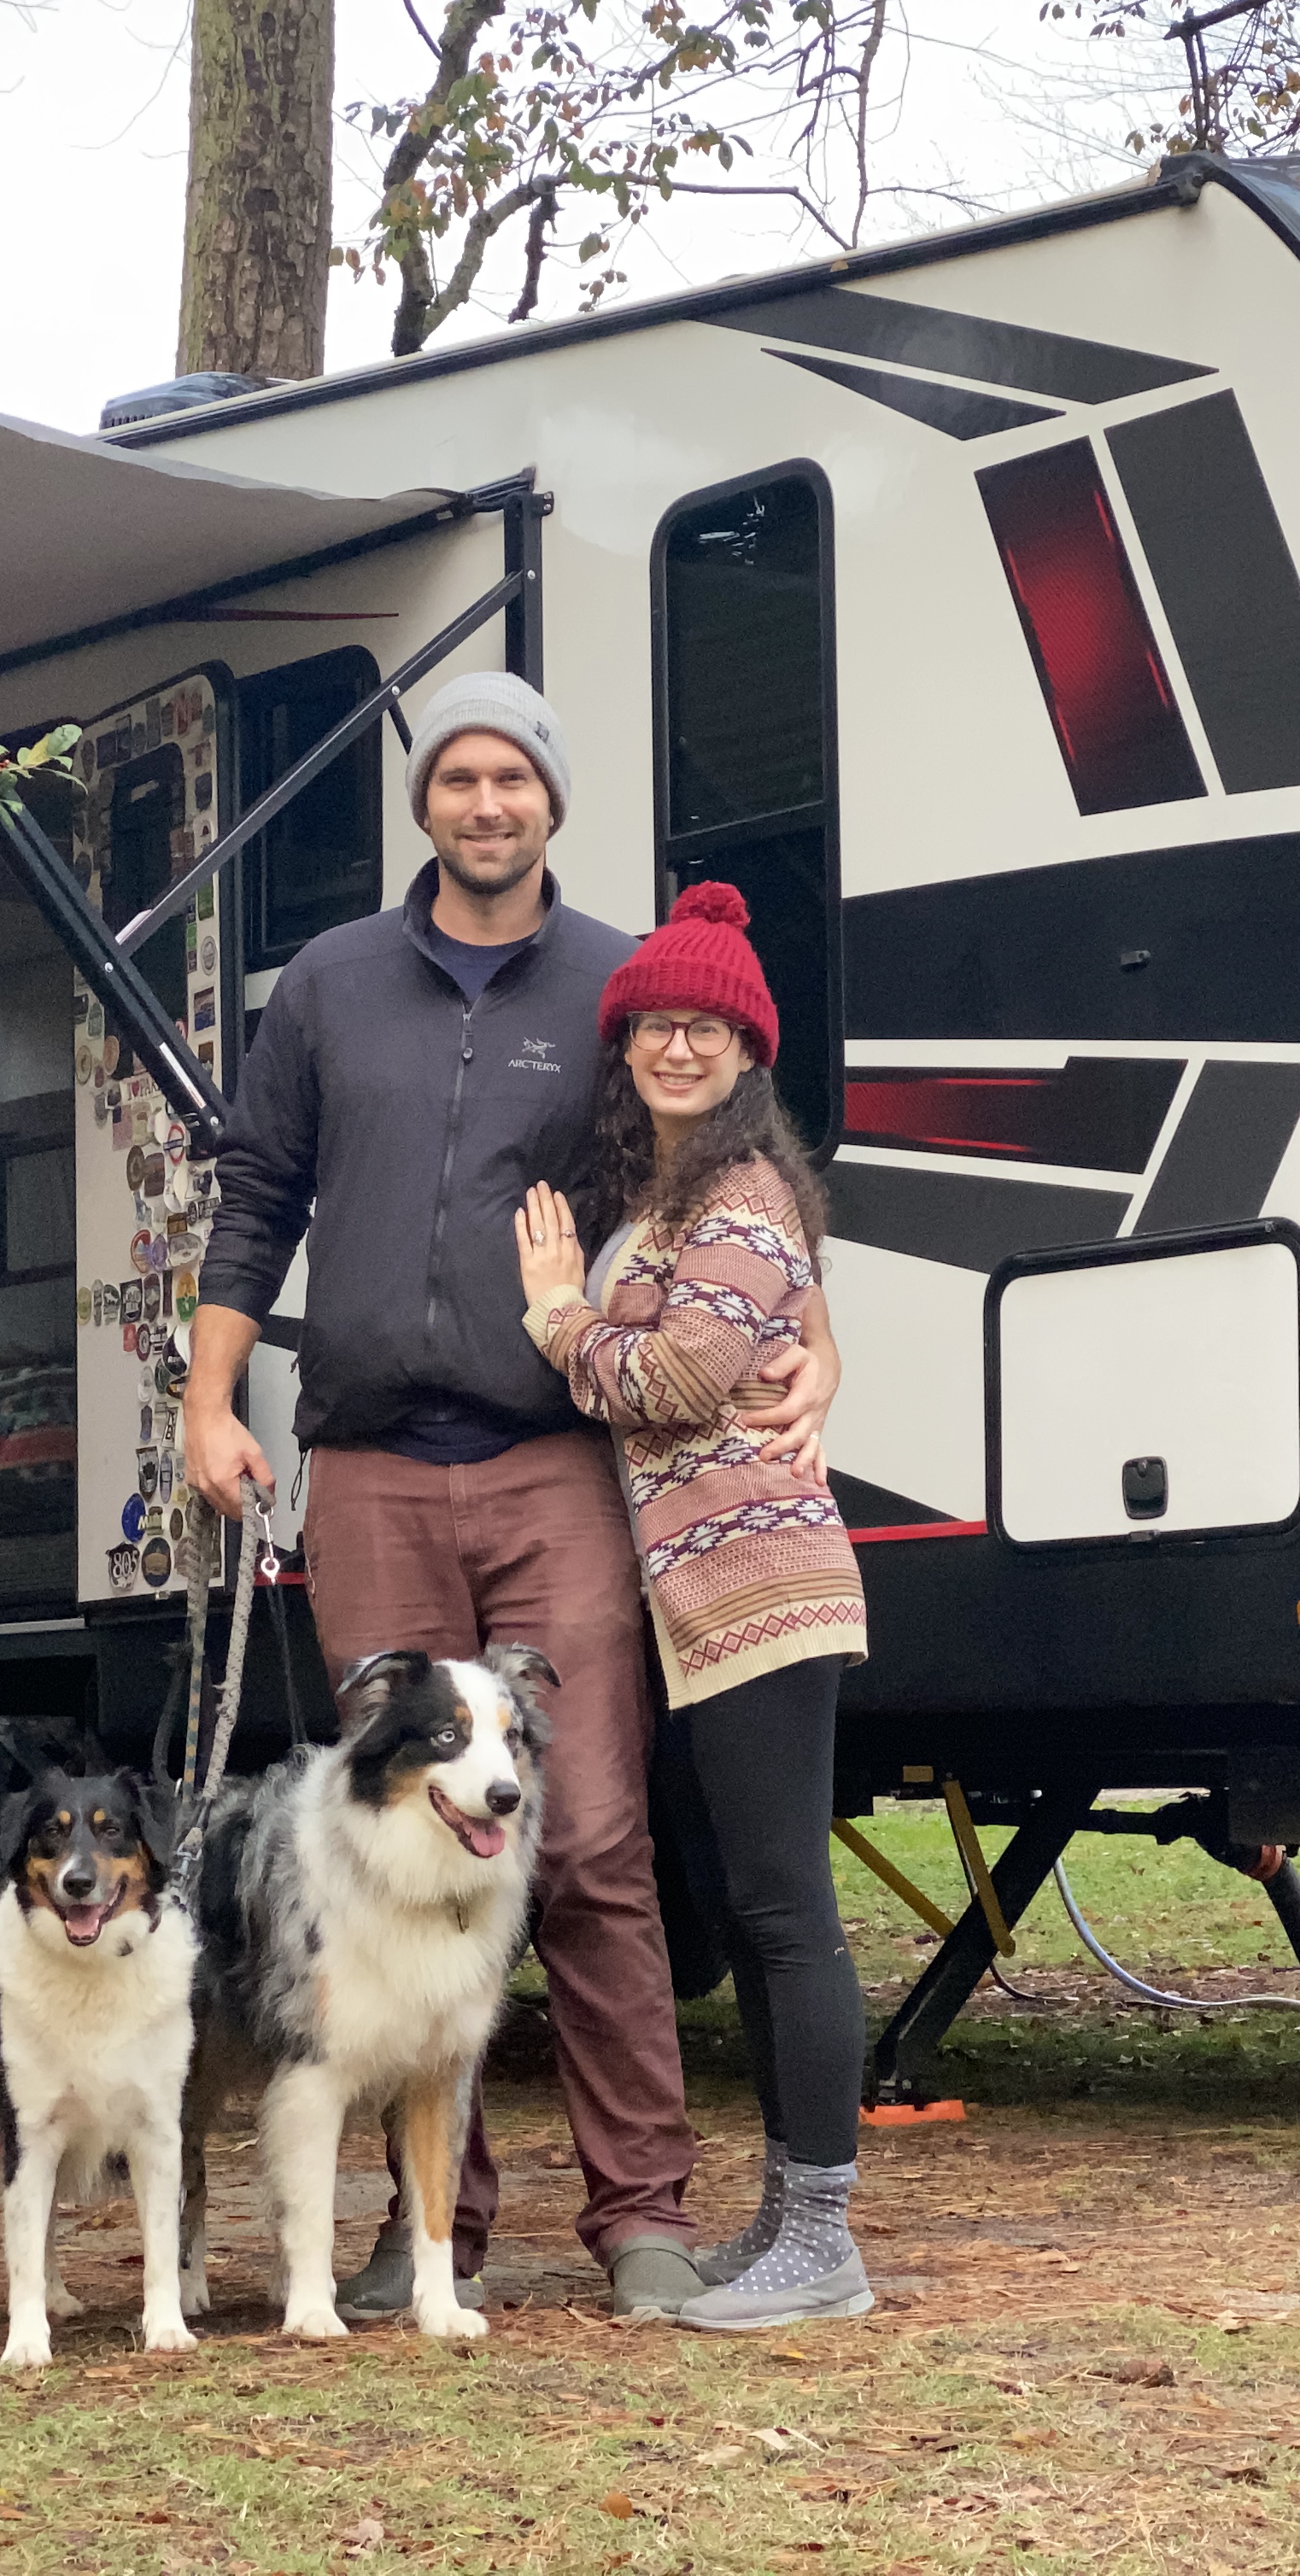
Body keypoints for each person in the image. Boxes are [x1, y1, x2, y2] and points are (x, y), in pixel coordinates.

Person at [184, 670, 838, 2321]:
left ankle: (641, 2219)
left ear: (554, 802)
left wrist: (813, 1329)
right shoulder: (329, 985)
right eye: (460, 779)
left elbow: (729, 1157)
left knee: (595, 1840)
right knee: (386, 1860)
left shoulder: (623, 980)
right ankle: (435, 2234)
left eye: (516, 781)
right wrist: (207, 1396)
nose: (489, 805)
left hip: (557, 1465)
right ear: (426, 804)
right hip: (372, 1472)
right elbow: (257, 1190)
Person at [513, 880, 874, 2331]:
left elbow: (670, 1382)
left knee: (790, 1913)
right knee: (754, 1897)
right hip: (707, 1592)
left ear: (748, 1054)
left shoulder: (739, 1193)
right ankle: (786, 2222)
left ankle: (825, 2240)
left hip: (762, 1586)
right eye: (656, 1024)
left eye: (707, 1029)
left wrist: (555, 1312)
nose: (677, 1048)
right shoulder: (674, 1195)